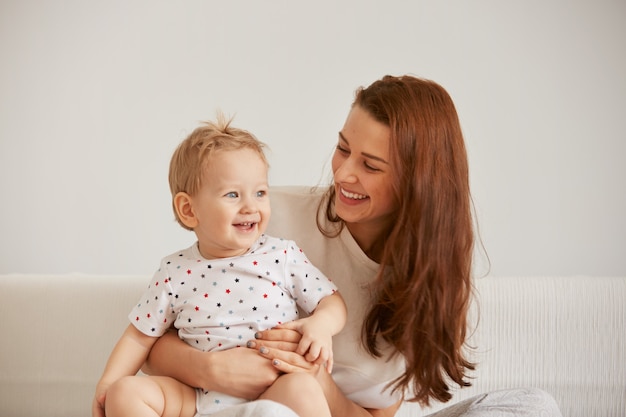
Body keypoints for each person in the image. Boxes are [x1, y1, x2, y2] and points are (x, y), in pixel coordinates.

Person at [142, 75, 563, 417]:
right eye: (343, 148)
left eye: (371, 165)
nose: (343, 174)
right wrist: (211, 369)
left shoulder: (425, 282)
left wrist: (317, 385)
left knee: (535, 408)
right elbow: (152, 337)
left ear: (417, 184)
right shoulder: (265, 220)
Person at [92, 116, 347, 417]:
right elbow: (139, 336)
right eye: (232, 195)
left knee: (304, 388)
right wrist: (108, 383)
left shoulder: (282, 254)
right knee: (125, 393)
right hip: (196, 397)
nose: (251, 206)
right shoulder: (174, 271)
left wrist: (321, 326)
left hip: (272, 390)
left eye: (260, 193)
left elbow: (331, 300)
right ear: (189, 210)